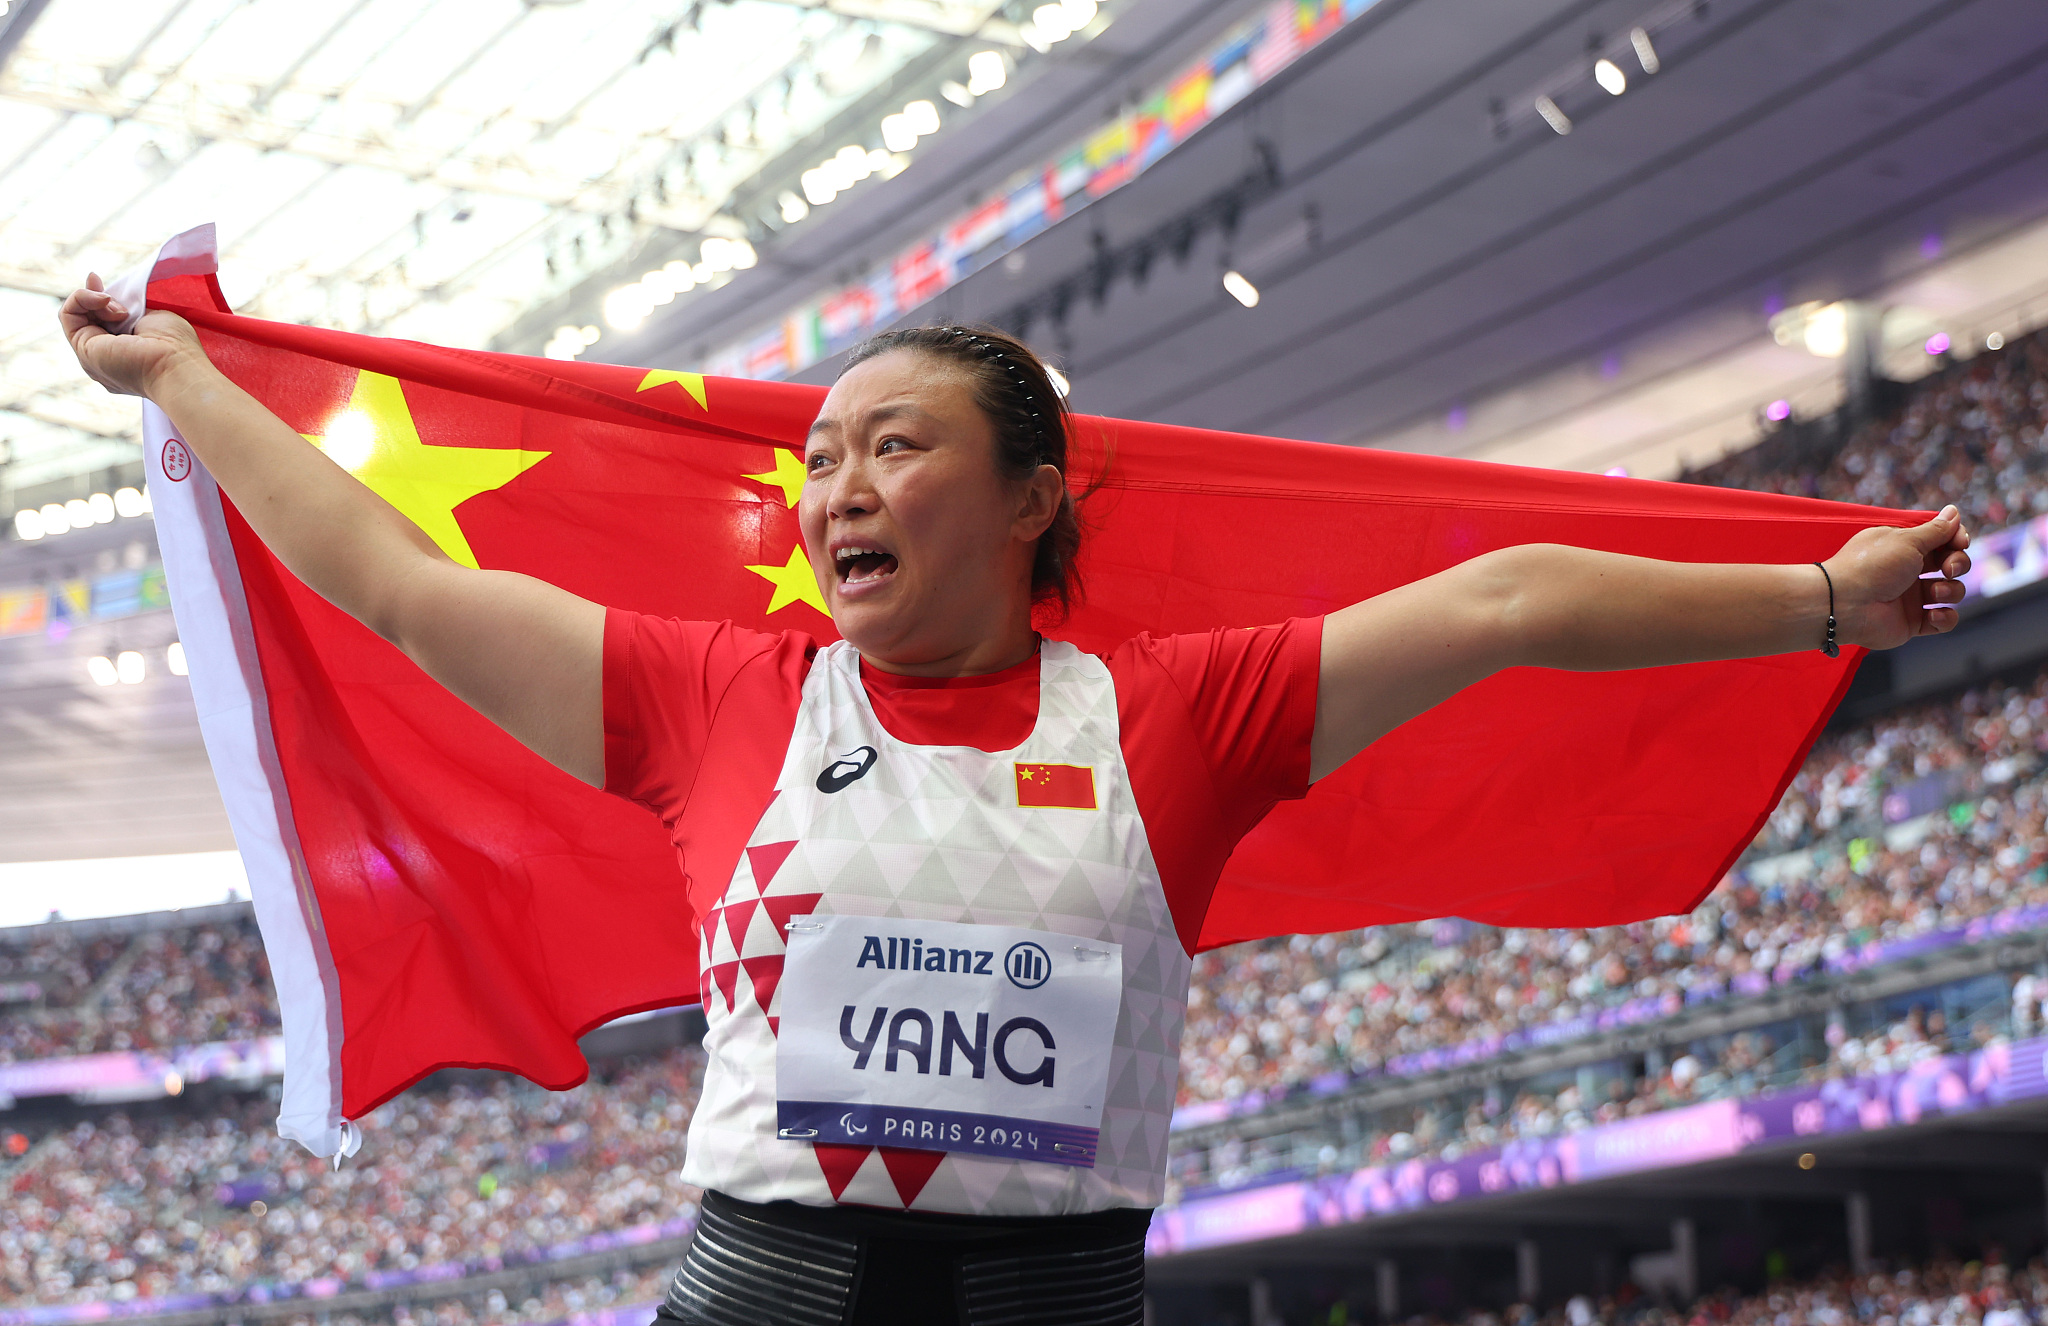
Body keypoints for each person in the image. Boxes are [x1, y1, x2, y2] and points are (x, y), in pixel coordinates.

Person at [59, 282, 1969, 1326]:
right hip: (762, 1295)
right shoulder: (716, 696)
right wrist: (193, 387)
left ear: (1038, 494)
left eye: (898, 444)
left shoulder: (1182, 718)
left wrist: (1823, 601)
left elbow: (1511, 601)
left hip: (1054, 1304)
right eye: (820, 459)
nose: (837, 489)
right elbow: (396, 582)